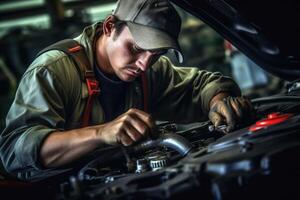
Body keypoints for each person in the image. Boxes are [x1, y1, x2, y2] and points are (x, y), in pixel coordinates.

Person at [0, 0, 253, 180]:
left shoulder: (150, 71)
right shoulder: (52, 70)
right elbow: (14, 152)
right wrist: (101, 133)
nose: (144, 64)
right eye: (135, 48)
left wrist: (219, 101)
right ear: (110, 26)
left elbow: (201, 86)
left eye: (155, 54)